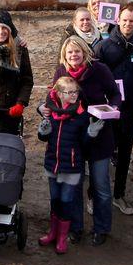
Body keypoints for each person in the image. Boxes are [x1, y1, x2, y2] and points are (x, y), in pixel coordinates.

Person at [52, 36, 121, 245]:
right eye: (70, 52)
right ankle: (75, 227)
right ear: (65, 55)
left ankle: (101, 228)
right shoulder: (60, 72)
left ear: (85, 52)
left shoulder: (99, 69)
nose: (74, 55)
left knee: (100, 185)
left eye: (77, 51)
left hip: (99, 135)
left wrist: (113, 109)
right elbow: (54, 98)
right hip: (73, 137)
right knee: (74, 185)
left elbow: (115, 93)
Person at [93, 4, 133, 216]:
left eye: (132, 20)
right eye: (125, 20)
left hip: (130, 110)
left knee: (125, 154)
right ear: (118, 20)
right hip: (109, 109)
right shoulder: (104, 46)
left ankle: (119, 195)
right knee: (102, 153)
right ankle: (94, 195)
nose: (128, 24)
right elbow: (95, 78)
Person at [37, 77, 87, 254]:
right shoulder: (51, 112)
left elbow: (84, 142)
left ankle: (62, 238)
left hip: (71, 166)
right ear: (59, 94)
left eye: (75, 92)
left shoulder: (81, 114)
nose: (73, 95)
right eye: (69, 92)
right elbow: (44, 138)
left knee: (67, 202)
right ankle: (52, 232)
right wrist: (42, 131)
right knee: (55, 200)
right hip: (53, 163)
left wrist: (92, 133)